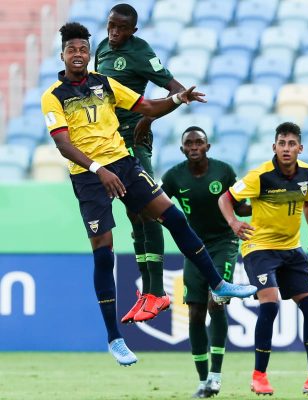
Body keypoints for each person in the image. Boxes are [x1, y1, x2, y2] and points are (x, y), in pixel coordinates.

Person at [41, 22, 257, 366]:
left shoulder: (105, 83)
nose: (79, 54)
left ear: (87, 52)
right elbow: (63, 144)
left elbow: (147, 107)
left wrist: (177, 98)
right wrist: (99, 170)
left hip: (123, 163)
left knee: (172, 216)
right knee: (103, 253)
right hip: (88, 176)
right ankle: (114, 339)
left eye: (83, 49)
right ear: (63, 54)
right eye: (72, 50)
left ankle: (218, 283)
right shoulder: (53, 96)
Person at [218, 122, 308, 399]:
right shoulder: (260, 176)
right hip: (259, 249)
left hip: (292, 250)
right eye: (282, 143)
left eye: (291, 144)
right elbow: (225, 198)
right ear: (274, 147)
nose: (286, 148)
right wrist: (234, 222)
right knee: (270, 307)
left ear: (300, 148)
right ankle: (259, 376)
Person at [95, 3, 186, 323]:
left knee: (150, 212)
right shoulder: (102, 48)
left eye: (121, 28)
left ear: (133, 30)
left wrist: (147, 122)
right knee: (135, 216)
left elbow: (175, 90)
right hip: (109, 147)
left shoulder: (141, 52)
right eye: (111, 26)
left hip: (133, 144)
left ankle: (157, 291)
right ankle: (148, 292)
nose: (114, 33)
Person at [161, 127, 252, 398]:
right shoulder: (174, 176)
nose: (193, 146)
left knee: (217, 302)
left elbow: (240, 206)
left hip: (224, 242)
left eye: (198, 142)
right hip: (194, 247)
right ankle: (202, 381)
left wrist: (265, 202)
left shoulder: (223, 172)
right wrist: (141, 225)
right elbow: (157, 206)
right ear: (182, 149)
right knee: (196, 312)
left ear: (207, 146)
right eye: (188, 143)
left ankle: (216, 376)